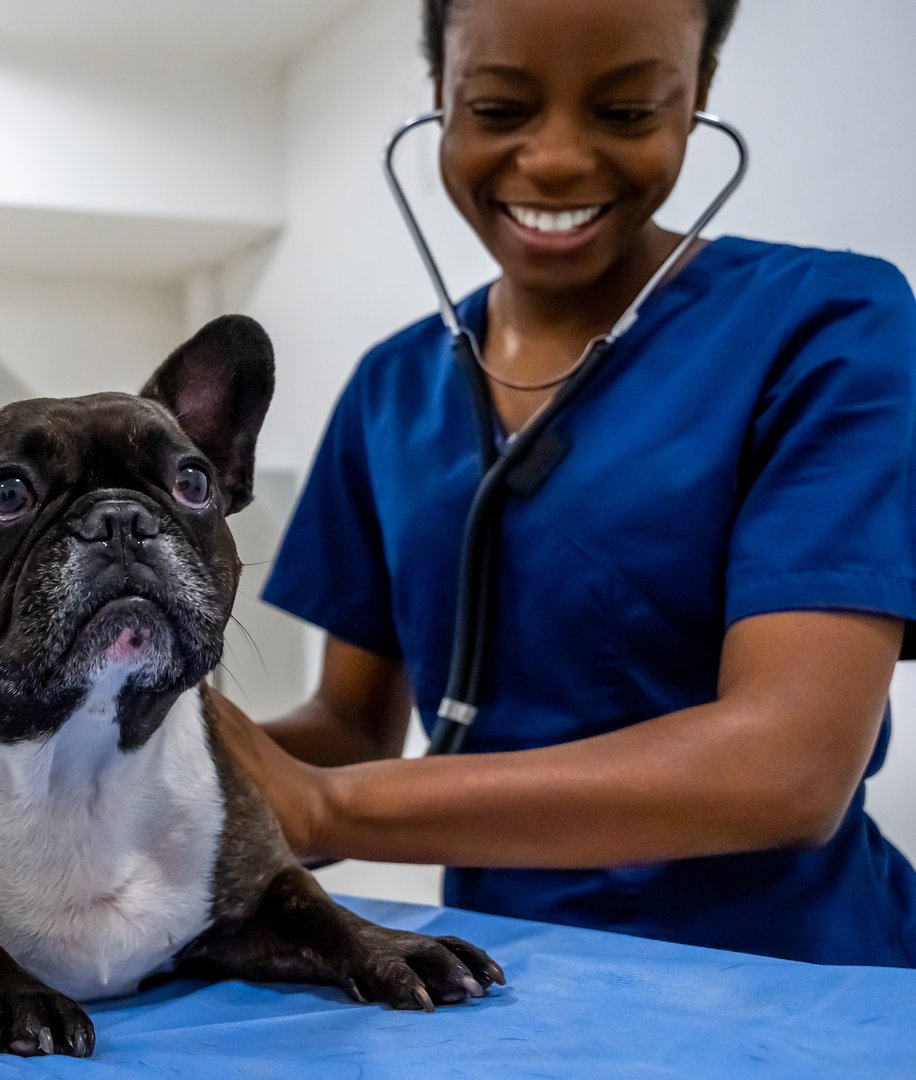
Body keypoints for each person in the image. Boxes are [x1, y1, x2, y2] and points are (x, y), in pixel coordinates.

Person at [215, 0, 916, 967]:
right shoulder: (392, 387)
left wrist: (321, 806)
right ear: (441, 94)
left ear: (698, 96)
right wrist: (164, 757)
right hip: (505, 979)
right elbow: (348, 725)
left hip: (792, 983)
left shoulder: (828, 326)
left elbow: (790, 768)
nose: (554, 160)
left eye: (625, 112)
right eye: (499, 110)